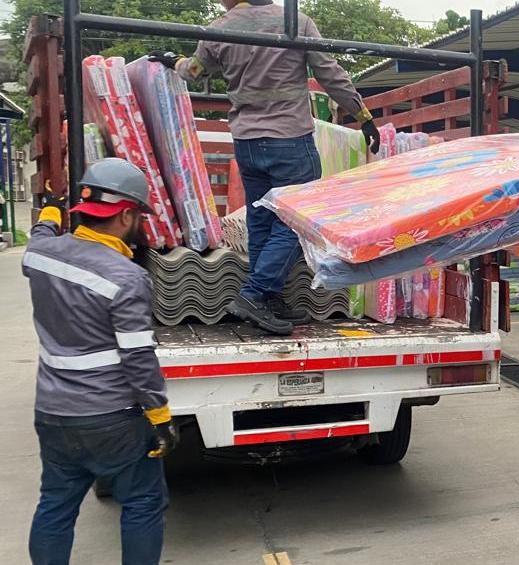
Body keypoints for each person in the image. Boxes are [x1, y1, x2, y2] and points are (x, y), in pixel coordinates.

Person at [149, 0, 380, 336]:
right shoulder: (295, 22)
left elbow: (194, 71)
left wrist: (173, 61)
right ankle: (255, 294)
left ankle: (267, 296)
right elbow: (330, 75)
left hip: (247, 142)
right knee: (297, 222)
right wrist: (364, 116)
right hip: (290, 140)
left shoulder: (220, 27)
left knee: (262, 219)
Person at [24, 158, 179, 565]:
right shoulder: (126, 278)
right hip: (111, 417)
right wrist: (160, 417)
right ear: (126, 214)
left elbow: (38, 234)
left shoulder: (40, 256)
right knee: (143, 502)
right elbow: (138, 356)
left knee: (55, 506)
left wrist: (51, 213)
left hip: (53, 413)